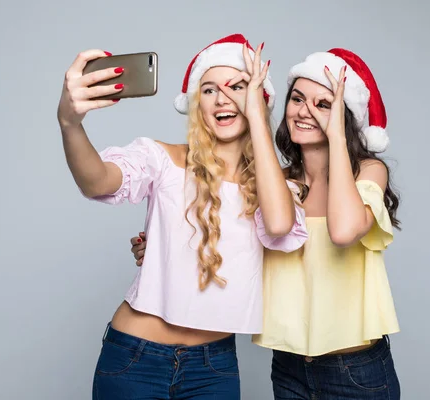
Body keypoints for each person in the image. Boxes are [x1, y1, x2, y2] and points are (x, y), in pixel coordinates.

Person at [129, 48, 402, 399]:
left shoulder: (367, 171)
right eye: (298, 99)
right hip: (289, 367)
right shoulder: (276, 185)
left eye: (324, 104)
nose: (304, 111)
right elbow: (230, 244)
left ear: (344, 116)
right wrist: (163, 246)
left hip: (355, 368)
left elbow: (344, 230)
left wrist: (336, 137)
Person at [57, 33, 308, 400]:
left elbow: (280, 225)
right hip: (136, 357)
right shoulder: (161, 159)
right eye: (208, 90)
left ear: (260, 98)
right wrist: (70, 124)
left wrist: (257, 118)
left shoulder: (276, 188)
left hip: (212, 368)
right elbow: (97, 181)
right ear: (195, 104)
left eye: (237, 86)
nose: (222, 98)